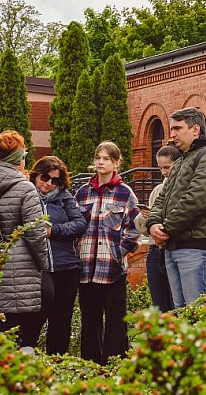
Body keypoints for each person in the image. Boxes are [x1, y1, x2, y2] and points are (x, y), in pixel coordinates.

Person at [0, 131, 51, 350]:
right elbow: (35, 234)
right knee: (20, 337)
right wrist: (44, 265)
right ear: (19, 158)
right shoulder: (25, 188)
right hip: (20, 270)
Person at [144, 107, 206, 308]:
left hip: (196, 245)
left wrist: (165, 229)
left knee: (196, 314)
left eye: (177, 128)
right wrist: (153, 224)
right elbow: (162, 199)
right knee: (180, 314)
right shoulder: (183, 160)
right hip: (174, 243)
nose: (172, 135)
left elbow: (196, 200)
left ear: (195, 129)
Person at [74, 141, 140, 365]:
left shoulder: (125, 193)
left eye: (106, 159)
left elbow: (134, 229)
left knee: (116, 321)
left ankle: (116, 366)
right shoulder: (82, 193)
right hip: (86, 269)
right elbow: (75, 226)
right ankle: (90, 366)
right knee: (90, 321)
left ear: (116, 163)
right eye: (98, 158)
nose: (100, 162)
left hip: (113, 269)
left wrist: (118, 253)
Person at [28, 156, 87, 354]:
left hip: (66, 266)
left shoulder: (64, 197)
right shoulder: (26, 196)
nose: (49, 184)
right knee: (34, 318)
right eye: (45, 177)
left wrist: (54, 231)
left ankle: (57, 365)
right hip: (38, 268)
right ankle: (25, 364)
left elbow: (79, 224)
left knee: (61, 319)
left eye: (55, 180)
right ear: (36, 175)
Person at [134, 144, 181, 312]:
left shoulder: (184, 187)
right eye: (160, 167)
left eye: (167, 167)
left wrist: (156, 219)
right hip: (154, 250)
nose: (163, 172)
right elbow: (145, 227)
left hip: (172, 249)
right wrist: (145, 218)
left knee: (176, 304)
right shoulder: (158, 189)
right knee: (159, 305)